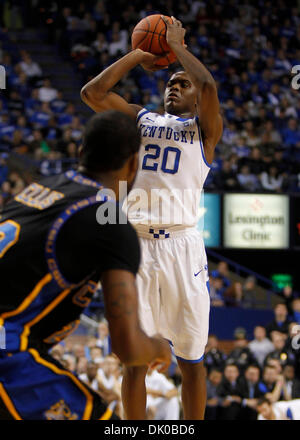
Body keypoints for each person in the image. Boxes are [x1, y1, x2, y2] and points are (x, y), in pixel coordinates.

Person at [81, 16, 222, 420]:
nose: (173, 87)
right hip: (136, 245)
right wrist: (142, 52)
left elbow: (210, 84)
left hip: (182, 246)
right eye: (169, 83)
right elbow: (93, 92)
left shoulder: (204, 131)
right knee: (133, 360)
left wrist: (176, 46)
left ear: (196, 98)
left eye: (182, 83)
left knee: (191, 359)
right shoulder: (141, 119)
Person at [0, 111, 172, 420]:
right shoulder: (110, 220)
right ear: (134, 164)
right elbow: (127, 347)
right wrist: (159, 347)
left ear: (81, 152)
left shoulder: (41, 187)